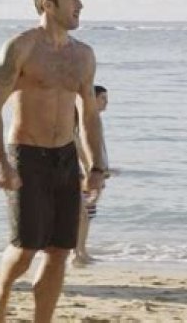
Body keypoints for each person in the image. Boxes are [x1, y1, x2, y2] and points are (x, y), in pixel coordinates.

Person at [0, 0, 106, 322]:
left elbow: (89, 114)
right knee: (26, 249)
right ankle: (2, 289)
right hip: (26, 155)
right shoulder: (21, 47)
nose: (80, 5)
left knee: (59, 250)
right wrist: (0, 162)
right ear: (47, 4)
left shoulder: (83, 55)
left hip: (65, 158)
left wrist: (96, 166)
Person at [72, 85, 111, 267]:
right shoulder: (82, 119)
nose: (106, 102)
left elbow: (99, 148)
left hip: (94, 171)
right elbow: (79, 145)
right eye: (103, 98)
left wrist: (104, 168)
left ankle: (81, 251)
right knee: (82, 214)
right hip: (84, 173)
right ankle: (76, 253)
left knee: (88, 214)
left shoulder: (94, 120)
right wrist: (90, 168)